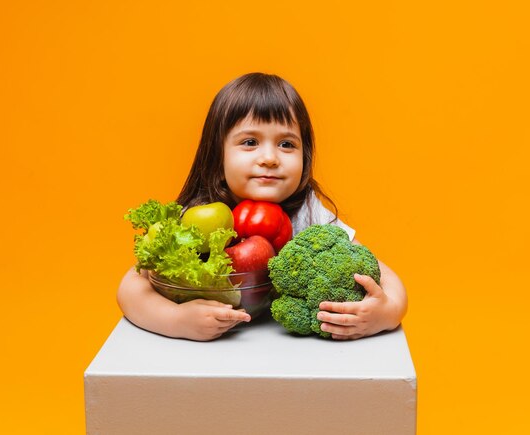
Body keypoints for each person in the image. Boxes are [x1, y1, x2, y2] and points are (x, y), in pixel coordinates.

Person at [117, 72, 407, 341]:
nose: (269, 158)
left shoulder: (309, 212)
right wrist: (177, 319)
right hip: (213, 357)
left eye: (287, 145)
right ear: (217, 156)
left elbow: (383, 272)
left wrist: (388, 312)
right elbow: (130, 289)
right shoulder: (196, 219)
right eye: (250, 141)